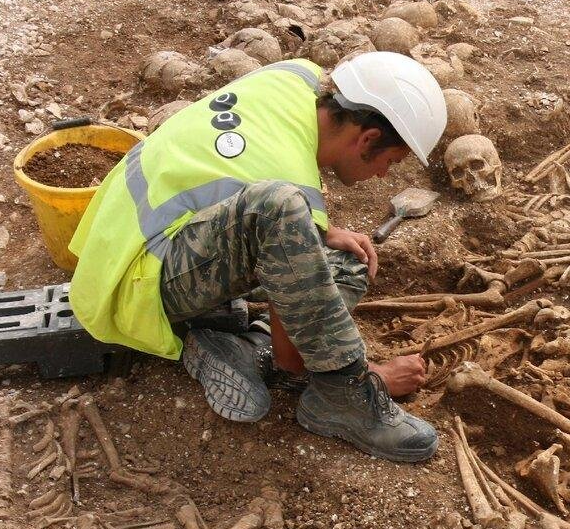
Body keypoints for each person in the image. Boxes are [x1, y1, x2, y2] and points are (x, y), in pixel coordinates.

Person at [67, 52, 447, 462]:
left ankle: (241, 346)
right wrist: (372, 376)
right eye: (391, 162)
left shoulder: (296, 76)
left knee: (348, 255)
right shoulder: (288, 187)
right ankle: (343, 397)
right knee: (281, 209)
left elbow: (234, 166)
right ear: (369, 138)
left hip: (123, 238)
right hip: (134, 284)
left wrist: (321, 232)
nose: (385, 176)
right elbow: (293, 360)